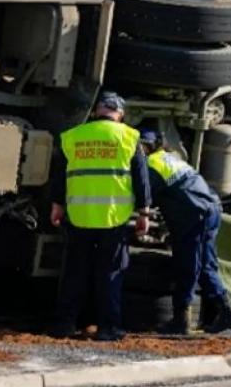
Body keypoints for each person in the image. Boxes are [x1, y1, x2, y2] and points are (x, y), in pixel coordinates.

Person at [48, 91, 151, 341]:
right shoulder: (129, 137)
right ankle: (109, 328)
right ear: (121, 114)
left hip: (79, 216)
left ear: (96, 111)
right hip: (113, 218)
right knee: (110, 274)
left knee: (74, 273)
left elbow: (59, 176)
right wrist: (144, 212)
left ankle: (64, 325)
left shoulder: (73, 137)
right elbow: (141, 178)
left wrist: (57, 206)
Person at [139, 129, 231, 335]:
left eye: (142, 146)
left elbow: (143, 197)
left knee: (188, 265)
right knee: (206, 265)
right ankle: (226, 312)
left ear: (148, 148)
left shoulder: (150, 165)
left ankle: (181, 320)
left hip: (193, 215)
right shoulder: (170, 158)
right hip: (209, 209)